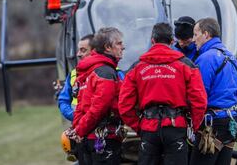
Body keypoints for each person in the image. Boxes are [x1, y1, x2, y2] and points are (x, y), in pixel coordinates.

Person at [119, 22, 207, 165]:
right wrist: (193, 126)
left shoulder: (137, 67)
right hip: (176, 127)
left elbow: (124, 104)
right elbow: (199, 100)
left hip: (148, 127)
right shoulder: (186, 65)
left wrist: (138, 126)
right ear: (172, 41)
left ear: (152, 40)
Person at [69, 27, 125, 165]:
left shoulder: (88, 71)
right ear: (107, 47)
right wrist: (79, 130)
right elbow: (99, 107)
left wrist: (77, 130)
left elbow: (80, 107)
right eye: (119, 43)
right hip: (103, 141)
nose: (123, 47)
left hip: (87, 140)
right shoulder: (106, 72)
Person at [190, 17, 237, 165]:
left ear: (206, 34)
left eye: (196, 34)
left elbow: (199, 95)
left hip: (212, 125)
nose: (194, 40)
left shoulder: (206, 58)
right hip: (231, 123)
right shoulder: (231, 57)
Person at [58, 34, 94, 122]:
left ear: (95, 51)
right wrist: (75, 117)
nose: (78, 54)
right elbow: (63, 101)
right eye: (79, 50)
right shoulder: (73, 74)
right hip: (80, 128)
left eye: (83, 50)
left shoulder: (113, 73)